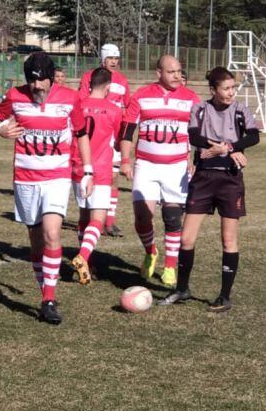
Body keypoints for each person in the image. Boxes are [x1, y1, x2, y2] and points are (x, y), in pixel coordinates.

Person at [0, 51, 92, 325]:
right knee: (36, 241)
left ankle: (48, 299)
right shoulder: (15, 96)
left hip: (57, 178)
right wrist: (0, 130)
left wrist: (88, 171)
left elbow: (82, 134)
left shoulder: (70, 98)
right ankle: (45, 292)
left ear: (51, 78)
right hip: (25, 179)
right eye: (32, 82)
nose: (37, 87)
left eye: (42, 82)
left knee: (51, 233)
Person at [159, 67, 260, 312]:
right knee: (186, 239)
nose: (231, 93)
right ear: (213, 90)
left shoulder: (240, 110)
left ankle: (224, 296)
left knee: (228, 239)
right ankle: (182, 289)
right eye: (226, 88)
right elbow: (193, 136)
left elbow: (254, 136)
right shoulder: (200, 109)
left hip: (230, 179)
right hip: (203, 178)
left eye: (233, 88)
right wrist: (218, 148)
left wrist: (228, 148)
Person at [120, 54, 201, 288]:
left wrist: (192, 158)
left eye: (179, 71)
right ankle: (151, 251)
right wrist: (126, 160)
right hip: (146, 166)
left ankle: (169, 267)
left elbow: (199, 135)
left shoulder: (191, 99)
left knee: (173, 218)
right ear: (159, 73)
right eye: (171, 71)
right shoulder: (141, 96)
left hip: (176, 167)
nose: (177, 75)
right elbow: (127, 132)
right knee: (142, 216)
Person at [69, 67, 121, 285]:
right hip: (99, 169)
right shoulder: (113, 109)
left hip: (77, 167)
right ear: (108, 87)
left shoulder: (76, 105)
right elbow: (119, 139)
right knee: (98, 220)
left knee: (83, 215)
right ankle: (83, 257)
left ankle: (86, 266)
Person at [79, 43, 131, 237]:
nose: (114, 62)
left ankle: (110, 220)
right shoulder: (90, 77)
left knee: (113, 177)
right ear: (102, 59)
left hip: (112, 131)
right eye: (110, 58)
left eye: (116, 58)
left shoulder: (123, 81)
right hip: (97, 132)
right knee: (94, 176)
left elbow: (126, 107)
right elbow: (83, 101)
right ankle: (92, 219)